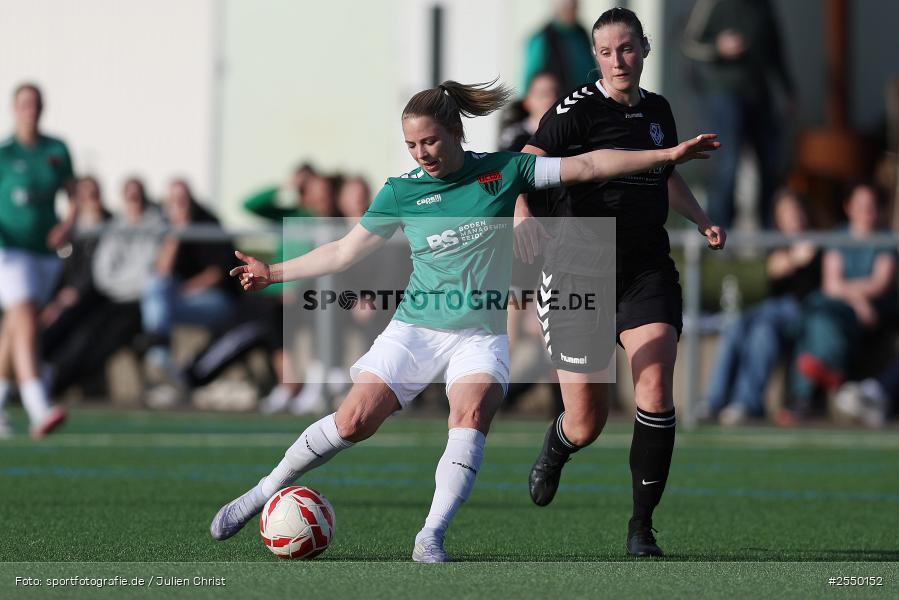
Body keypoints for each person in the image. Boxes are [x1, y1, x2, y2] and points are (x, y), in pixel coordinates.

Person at [209, 78, 719, 562]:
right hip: (414, 330)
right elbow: (344, 252)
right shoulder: (400, 192)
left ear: (456, 133)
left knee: (470, 416)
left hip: (478, 336)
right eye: (412, 145)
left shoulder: (501, 172)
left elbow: (587, 166)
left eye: (430, 141)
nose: (422, 154)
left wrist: (667, 156)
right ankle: (262, 492)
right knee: (353, 422)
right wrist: (272, 272)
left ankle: (430, 536)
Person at [515, 7, 725, 557]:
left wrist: (701, 219)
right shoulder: (575, 112)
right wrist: (522, 214)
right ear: (595, 58)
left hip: (643, 267)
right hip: (575, 269)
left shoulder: (658, 109)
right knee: (588, 421)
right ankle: (559, 445)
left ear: (645, 49)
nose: (618, 61)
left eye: (627, 48)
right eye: (606, 52)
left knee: (654, 386)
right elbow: (524, 166)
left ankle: (641, 528)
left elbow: (666, 170)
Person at [702, 190, 821, 425]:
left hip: (799, 311)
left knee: (763, 328)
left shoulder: (817, 243)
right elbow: (766, 274)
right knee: (739, 326)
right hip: (768, 311)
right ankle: (714, 401)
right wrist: (786, 262)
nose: (793, 217)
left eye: (795, 211)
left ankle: (746, 403)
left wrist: (792, 262)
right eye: (786, 212)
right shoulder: (772, 244)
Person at [781, 184, 897, 423]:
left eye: (871, 207)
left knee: (818, 319)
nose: (867, 212)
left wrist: (853, 297)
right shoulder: (838, 237)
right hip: (847, 307)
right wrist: (858, 301)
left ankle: (808, 392)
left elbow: (879, 283)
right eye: (861, 206)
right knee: (816, 315)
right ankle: (825, 372)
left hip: (871, 312)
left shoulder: (886, 241)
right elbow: (831, 285)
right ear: (849, 208)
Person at [0, 83, 75, 438]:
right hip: (10, 251)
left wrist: (67, 223)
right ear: (15, 109)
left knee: (14, 328)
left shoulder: (55, 150)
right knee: (26, 317)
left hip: (45, 253)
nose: (31, 110)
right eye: (25, 104)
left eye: (36, 104)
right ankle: (37, 405)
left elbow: (73, 194)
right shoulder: (5, 152)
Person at [42, 177, 163, 397]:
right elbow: (103, 273)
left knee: (90, 340)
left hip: (118, 301)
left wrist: (73, 294)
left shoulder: (136, 225)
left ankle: (51, 384)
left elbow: (145, 274)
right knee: (54, 330)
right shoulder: (89, 227)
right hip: (101, 297)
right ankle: (30, 380)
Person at [682, 0, 796, 229]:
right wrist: (719, 46)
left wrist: (788, 89)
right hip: (724, 94)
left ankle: (768, 236)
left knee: (770, 165)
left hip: (759, 94)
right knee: (727, 165)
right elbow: (689, 42)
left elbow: (775, 48)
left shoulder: (763, 6)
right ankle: (719, 234)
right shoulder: (713, 3)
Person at [140, 179, 237, 399]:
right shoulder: (165, 225)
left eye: (183, 199)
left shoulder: (208, 222)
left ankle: (161, 363)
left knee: (157, 302)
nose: (179, 205)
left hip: (217, 300)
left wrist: (187, 289)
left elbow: (218, 272)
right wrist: (177, 231)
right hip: (180, 300)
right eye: (174, 200)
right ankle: (162, 362)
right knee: (155, 291)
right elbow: (161, 272)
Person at [522, 0, 596, 94]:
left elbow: (592, 68)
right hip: (559, 101)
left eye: (573, 5)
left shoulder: (581, 33)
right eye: (566, 6)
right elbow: (531, 79)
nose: (571, 9)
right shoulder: (542, 38)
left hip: (587, 97)